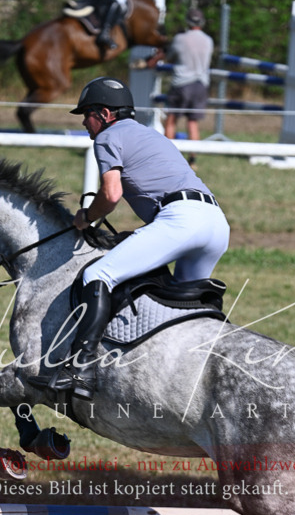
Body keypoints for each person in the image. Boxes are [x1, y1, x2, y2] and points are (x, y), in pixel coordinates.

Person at [30, 76, 230, 400]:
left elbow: (111, 194)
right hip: (216, 223)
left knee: (98, 274)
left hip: (181, 220)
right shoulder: (151, 135)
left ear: (106, 114)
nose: (84, 122)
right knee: (181, 310)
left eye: (87, 113)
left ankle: (80, 369)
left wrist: (86, 217)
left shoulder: (108, 136)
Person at [164, 8, 214, 167]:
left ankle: (169, 158)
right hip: (200, 85)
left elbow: (169, 56)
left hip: (181, 83)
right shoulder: (208, 40)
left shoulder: (180, 38)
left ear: (188, 22)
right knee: (193, 124)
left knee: (171, 120)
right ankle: (192, 160)